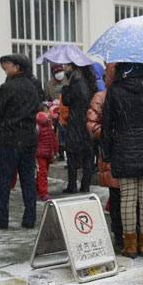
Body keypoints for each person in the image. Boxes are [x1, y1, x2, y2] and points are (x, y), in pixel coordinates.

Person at [100, 62, 143, 258]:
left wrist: (107, 151)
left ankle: (129, 246)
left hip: (124, 149)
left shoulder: (115, 88)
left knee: (127, 199)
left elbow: (106, 123)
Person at [0, 53, 40, 229]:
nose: (5, 69)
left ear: (17, 67)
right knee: (28, 179)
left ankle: (1, 219)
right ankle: (30, 218)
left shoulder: (7, 88)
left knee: (3, 181)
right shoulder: (33, 88)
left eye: (7, 66)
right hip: (29, 139)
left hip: (10, 139)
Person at [86, 63, 122, 250]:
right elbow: (92, 124)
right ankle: (119, 234)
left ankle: (129, 234)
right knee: (116, 197)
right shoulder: (102, 97)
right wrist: (111, 134)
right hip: (112, 152)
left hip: (128, 152)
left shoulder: (129, 93)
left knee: (132, 198)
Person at [60, 62, 96, 193]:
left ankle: (72, 185)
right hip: (87, 122)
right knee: (87, 155)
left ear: (73, 66)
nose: (64, 68)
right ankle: (85, 185)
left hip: (76, 122)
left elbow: (66, 101)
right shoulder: (88, 80)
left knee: (72, 155)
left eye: (67, 65)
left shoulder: (75, 81)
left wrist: (65, 88)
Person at [35, 105, 57, 201]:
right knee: (43, 173)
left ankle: (37, 187)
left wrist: (55, 151)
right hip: (40, 154)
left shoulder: (49, 124)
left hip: (48, 153)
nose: (49, 113)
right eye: (46, 111)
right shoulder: (38, 126)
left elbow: (53, 139)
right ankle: (43, 192)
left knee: (43, 173)